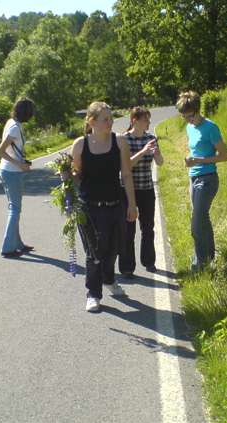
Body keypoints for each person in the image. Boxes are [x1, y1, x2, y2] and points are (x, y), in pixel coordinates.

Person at [70, 102, 138, 312]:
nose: (110, 123)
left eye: (111, 118)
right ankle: (93, 293)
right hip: (88, 208)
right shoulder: (80, 145)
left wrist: (132, 205)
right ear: (91, 122)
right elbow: (77, 175)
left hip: (115, 204)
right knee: (94, 252)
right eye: (105, 119)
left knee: (115, 248)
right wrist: (68, 176)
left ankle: (109, 279)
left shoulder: (120, 142)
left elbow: (126, 174)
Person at [176, 91, 227, 271]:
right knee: (203, 218)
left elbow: (224, 156)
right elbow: (195, 150)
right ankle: (209, 257)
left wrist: (200, 161)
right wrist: (189, 160)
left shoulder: (211, 127)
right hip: (194, 176)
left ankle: (199, 262)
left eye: (190, 115)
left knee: (196, 223)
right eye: (184, 116)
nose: (187, 120)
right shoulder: (189, 127)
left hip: (208, 179)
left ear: (197, 110)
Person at [118, 107, 163, 278]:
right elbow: (125, 166)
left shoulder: (151, 138)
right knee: (128, 230)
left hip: (146, 189)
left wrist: (156, 152)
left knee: (148, 227)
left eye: (149, 120)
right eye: (146, 120)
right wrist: (143, 151)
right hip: (127, 191)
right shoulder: (124, 140)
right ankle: (127, 267)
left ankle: (149, 261)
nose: (149, 123)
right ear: (134, 120)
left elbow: (160, 162)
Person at [0, 97, 35, 258]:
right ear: (26, 112)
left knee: (14, 208)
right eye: (31, 111)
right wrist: (20, 165)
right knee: (15, 209)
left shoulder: (12, 123)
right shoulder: (14, 128)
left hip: (8, 171)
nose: (33, 115)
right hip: (11, 172)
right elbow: (0, 151)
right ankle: (7, 248)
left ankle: (18, 244)